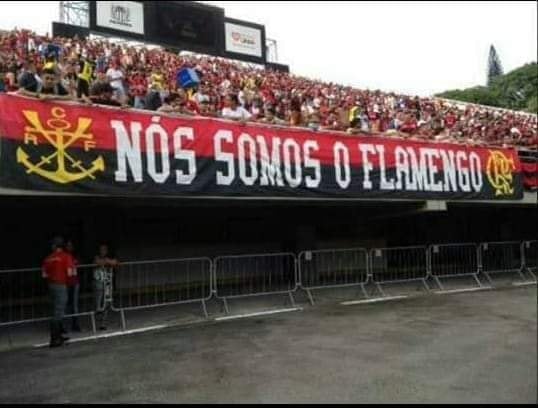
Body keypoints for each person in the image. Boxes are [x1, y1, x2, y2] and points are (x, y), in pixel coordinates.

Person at [42, 236, 75, 347]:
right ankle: (55, 339)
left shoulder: (48, 258)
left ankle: (58, 336)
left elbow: (44, 274)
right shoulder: (66, 257)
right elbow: (70, 273)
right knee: (59, 312)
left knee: (54, 310)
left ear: (54, 246)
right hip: (61, 285)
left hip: (51, 285)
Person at [93, 244, 118, 331]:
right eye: (101, 249)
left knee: (107, 303)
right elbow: (98, 262)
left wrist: (107, 261)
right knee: (98, 304)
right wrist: (107, 261)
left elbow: (115, 262)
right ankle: (96, 321)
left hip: (107, 282)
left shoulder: (110, 256)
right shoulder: (96, 256)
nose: (103, 251)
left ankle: (103, 323)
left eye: (105, 249)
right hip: (99, 282)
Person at [65, 240, 81, 332]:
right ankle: (66, 324)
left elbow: (78, 264)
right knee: (66, 304)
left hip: (75, 282)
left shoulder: (75, 256)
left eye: (71, 245)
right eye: (68, 245)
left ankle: (75, 324)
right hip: (66, 283)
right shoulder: (64, 256)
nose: (69, 247)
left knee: (75, 305)